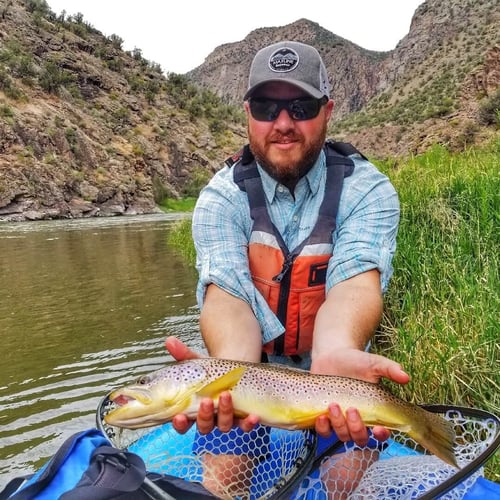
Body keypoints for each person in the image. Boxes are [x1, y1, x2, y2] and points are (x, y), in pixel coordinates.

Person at [165, 40, 410, 496]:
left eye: (300, 106)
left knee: (342, 483)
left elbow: (354, 286)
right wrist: (230, 378)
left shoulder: (369, 191)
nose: (282, 123)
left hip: (335, 377)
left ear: (327, 111)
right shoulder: (220, 198)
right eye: (266, 106)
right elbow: (227, 296)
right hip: (249, 371)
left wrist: (334, 358)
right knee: (223, 476)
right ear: (247, 113)